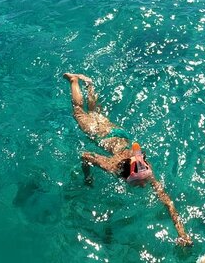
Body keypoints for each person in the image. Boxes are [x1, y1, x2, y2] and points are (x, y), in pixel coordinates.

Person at [63, 73, 193, 246]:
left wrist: (182, 233)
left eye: (141, 181)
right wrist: (88, 177)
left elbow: (168, 203)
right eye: (138, 183)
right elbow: (85, 155)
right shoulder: (111, 165)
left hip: (116, 135)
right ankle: (76, 81)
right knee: (80, 112)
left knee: (94, 113)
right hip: (104, 135)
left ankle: (89, 84)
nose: (144, 185)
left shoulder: (144, 171)